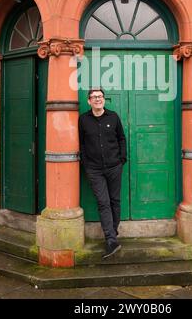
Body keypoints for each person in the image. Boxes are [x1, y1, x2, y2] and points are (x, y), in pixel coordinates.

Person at [78, 88, 127, 259]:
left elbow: (121, 138)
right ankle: (111, 240)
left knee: (115, 201)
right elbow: (82, 143)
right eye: (94, 97)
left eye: (100, 96)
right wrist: (86, 162)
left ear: (104, 100)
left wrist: (122, 158)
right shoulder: (83, 119)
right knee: (103, 202)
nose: (98, 99)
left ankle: (113, 232)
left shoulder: (113, 117)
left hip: (114, 166)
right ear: (89, 101)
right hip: (94, 169)